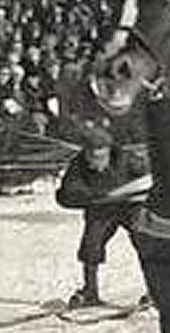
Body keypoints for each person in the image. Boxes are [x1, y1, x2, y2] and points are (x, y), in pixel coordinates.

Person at [55, 123, 150, 309]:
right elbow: (67, 193)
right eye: (91, 157)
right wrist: (91, 196)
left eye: (101, 157)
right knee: (91, 244)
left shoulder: (127, 160)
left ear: (109, 151)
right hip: (101, 209)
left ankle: (155, 289)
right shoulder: (78, 165)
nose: (95, 162)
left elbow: (149, 178)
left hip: (130, 207)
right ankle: (90, 291)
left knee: (145, 242)